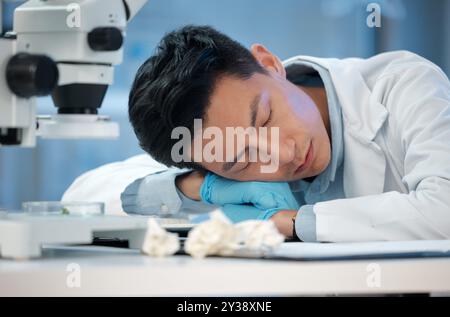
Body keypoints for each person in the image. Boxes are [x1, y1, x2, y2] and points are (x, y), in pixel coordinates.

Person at [63, 25, 450, 242]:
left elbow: (444, 210)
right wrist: (201, 189)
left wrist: (295, 222)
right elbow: (80, 198)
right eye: (242, 159)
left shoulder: (401, 85)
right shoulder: (209, 151)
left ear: (268, 64)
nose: (279, 154)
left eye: (265, 118)